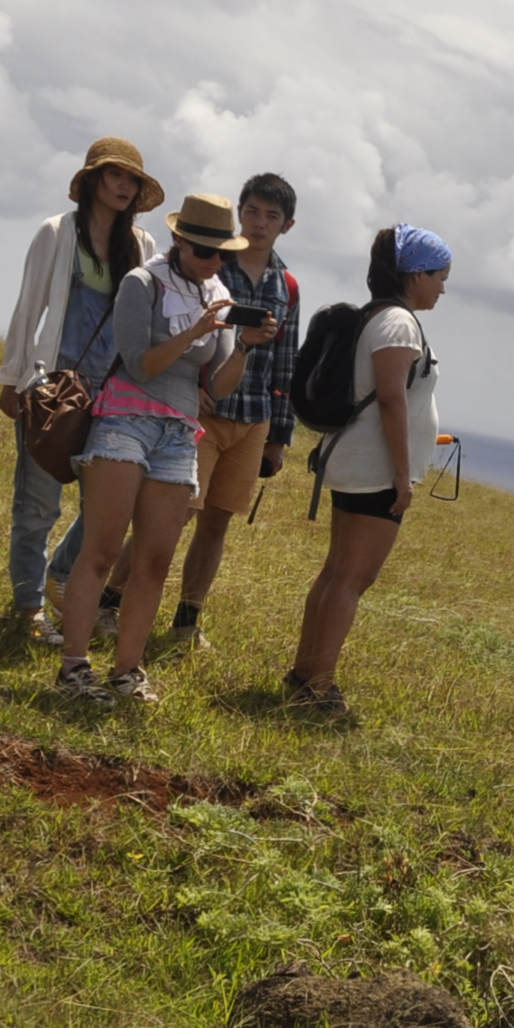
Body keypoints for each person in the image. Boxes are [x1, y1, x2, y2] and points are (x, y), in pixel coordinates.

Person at [52, 195, 253, 704]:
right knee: (101, 550)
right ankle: (74, 668)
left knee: (155, 560)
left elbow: (220, 386)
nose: (215, 261)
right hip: (125, 419)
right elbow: (140, 364)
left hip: (180, 432)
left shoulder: (219, 294)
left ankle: (127, 671)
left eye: (223, 253)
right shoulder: (142, 283)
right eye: (205, 251)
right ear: (179, 240)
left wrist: (247, 345)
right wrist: (196, 331)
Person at [0, 136, 163, 643]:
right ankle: (30, 608)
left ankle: (62, 577)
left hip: (113, 396)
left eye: (131, 179)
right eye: (115, 175)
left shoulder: (143, 246)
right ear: (93, 179)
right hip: (51, 388)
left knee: (105, 507)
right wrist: (13, 378)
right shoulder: (58, 232)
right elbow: (29, 307)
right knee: (37, 506)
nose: (123, 186)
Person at [284, 225, 451, 720]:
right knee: (352, 579)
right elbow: (391, 399)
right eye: (439, 277)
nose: (442, 288)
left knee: (338, 572)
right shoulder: (398, 324)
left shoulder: (378, 315)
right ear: (415, 275)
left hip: (357, 462)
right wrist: (402, 474)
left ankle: (305, 675)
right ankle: (318, 687)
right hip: (374, 469)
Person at [164, 172, 302, 650]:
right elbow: (182, 330)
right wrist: (188, 386)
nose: (260, 223)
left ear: (287, 225)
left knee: (217, 522)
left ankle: (186, 621)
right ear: (240, 213)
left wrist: (279, 438)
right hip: (203, 412)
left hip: (254, 417)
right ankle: (112, 601)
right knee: (175, 515)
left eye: (271, 216)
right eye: (252, 212)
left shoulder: (287, 284)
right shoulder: (213, 265)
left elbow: (286, 362)